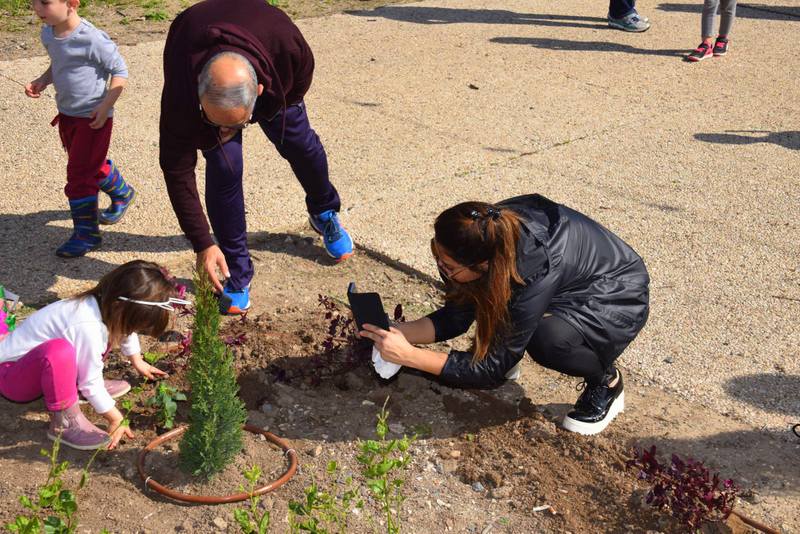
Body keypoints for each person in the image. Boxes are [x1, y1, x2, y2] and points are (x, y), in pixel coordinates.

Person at [359, 195, 650, 435]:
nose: (440, 265)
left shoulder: (532, 264)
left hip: (613, 290)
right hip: (562, 276)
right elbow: (456, 317)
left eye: (447, 265)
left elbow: (491, 370)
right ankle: (509, 341)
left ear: (482, 264)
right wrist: (397, 332)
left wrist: (409, 356)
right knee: (498, 306)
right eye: (437, 255)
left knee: (547, 341)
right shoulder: (479, 237)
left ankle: (606, 380)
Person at [159, 0, 354, 315]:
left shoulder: (285, 43)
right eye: (216, 121)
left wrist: (269, 109)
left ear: (260, 90)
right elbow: (175, 167)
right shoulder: (182, 86)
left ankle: (325, 211)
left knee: (299, 143)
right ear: (198, 93)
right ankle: (236, 270)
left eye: (234, 124)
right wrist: (202, 242)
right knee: (225, 166)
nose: (227, 131)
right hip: (200, 55)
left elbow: (301, 79)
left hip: (276, 82)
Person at [0, 261, 188, 450]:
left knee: (74, 351)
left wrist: (137, 361)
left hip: (32, 369)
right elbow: (91, 381)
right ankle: (65, 422)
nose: (135, 331)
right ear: (119, 307)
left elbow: (126, 328)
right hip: (12, 378)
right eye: (136, 326)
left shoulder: (104, 304)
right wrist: (116, 418)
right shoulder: (86, 325)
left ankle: (72, 387)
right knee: (59, 352)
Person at [25, 0, 134, 258]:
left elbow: (120, 71)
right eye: (33, 2)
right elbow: (59, 64)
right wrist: (43, 80)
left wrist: (106, 104)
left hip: (93, 118)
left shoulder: (92, 38)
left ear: (72, 3)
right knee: (86, 164)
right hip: (68, 115)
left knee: (78, 175)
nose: (37, 8)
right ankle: (122, 192)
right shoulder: (48, 32)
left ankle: (87, 234)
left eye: (45, 2)